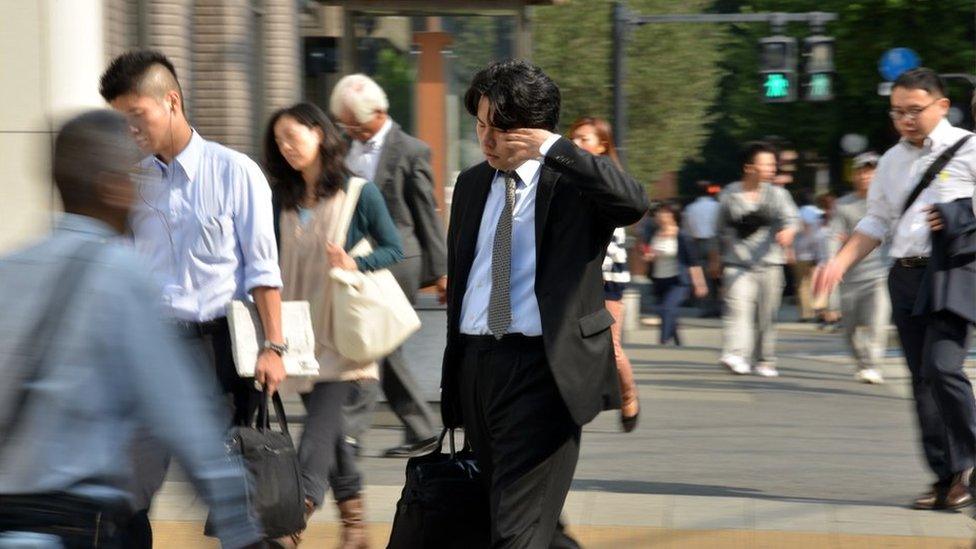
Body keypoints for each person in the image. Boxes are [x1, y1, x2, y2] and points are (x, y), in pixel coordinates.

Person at [0, 110, 263, 549]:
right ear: (111, 188)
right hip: (78, 523)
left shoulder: (10, 270)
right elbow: (179, 413)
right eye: (132, 179)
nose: (140, 194)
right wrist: (238, 522)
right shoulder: (121, 274)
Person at [440, 59, 648, 547]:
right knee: (523, 516)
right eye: (480, 126)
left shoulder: (573, 185)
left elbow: (634, 202)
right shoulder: (472, 185)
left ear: (533, 130)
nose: (487, 141)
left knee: (515, 528)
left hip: (543, 370)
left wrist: (555, 148)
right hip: (477, 365)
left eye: (500, 129)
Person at [100, 50, 286, 544]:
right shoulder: (131, 184)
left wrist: (275, 345)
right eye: (122, 121)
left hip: (218, 353)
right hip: (148, 350)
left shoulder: (236, 173)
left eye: (137, 116)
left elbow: (262, 268)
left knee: (232, 498)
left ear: (172, 101)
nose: (131, 130)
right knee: (125, 493)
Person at [814, 68, 976, 510]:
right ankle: (945, 477)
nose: (905, 119)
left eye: (914, 110)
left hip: (952, 274)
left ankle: (969, 462)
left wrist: (960, 215)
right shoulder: (890, 160)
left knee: (943, 368)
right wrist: (839, 263)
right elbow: (877, 222)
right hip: (904, 275)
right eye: (897, 112)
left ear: (942, 106)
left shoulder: (970, 150)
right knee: (922, 381)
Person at [265, 102, 403, 548]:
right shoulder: (279, 198)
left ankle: (296, 511)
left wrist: (355, 260)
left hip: (341, 331)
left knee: (320, 426)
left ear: (319, 134)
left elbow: (393, 248)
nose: (287, 147)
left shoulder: (359, 193)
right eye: (279, 141)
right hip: (296, 331)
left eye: (294, 136)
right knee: (331, 433)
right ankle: (356, 524)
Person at [330, 74, 445, 458]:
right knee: (377, 344)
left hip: (398, 259)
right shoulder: (344, 149)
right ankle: (421, 430)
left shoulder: (411, 150)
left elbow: (425, 214)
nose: (351, 130)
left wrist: (442, 270)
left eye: (355, 123)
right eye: (345, 124)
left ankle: (349, 433)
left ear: (379, 113)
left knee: (371, 340)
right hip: (354, 260)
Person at [568, 116, 640, 432]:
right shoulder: (565, 177)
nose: (577, 144)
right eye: (574, 138)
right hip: (575, 280)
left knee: (610, 345)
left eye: (585, 139)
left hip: (608, 279)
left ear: (602, 145)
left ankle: (628, 395)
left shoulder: (611, 180)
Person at [717, 141, 800, 378]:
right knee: (737, 310)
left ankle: (765, 359)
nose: (772, 168)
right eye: (767, 164)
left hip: (770, 264)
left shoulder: (778, 195)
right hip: (737, 264)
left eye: (774, 164)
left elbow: (792, 219)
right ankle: (736, 355)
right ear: (749, 167)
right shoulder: (730, 195)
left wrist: (789, 232)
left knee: (766, 316)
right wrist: (715, 259)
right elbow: (719, 228)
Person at [828, 151, 889, 384]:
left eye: (872, 171)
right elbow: (833, 236)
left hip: (880, 274)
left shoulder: (888, 202)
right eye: (862, 171)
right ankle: (861, 361)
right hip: (850, 276)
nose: (867, 176)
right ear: (854, 175)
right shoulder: (843, 205)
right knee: (850, 327)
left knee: (878, 321)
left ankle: (873, 364)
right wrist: (832, 262)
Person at [642, 203, 708, 346]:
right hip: (659, 280)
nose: (661, 216)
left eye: (665, 213)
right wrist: (649, 256)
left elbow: (693, 262)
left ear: (673, 216)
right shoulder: (653, 233)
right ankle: (678, 342)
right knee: (667, 311)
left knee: (667, 308)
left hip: (678, 282)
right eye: (659, 213)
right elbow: (646, 251)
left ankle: (663, 342)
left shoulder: (682, 236)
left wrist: (699, 283)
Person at [683, 182, 723, 317]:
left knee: (702, 277)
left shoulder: (690, 208)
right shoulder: (718, 207)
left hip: (697, 243)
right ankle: (719, 305)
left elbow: (687, 228)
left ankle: (706, 307)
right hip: (714, 241)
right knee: (717, 274)